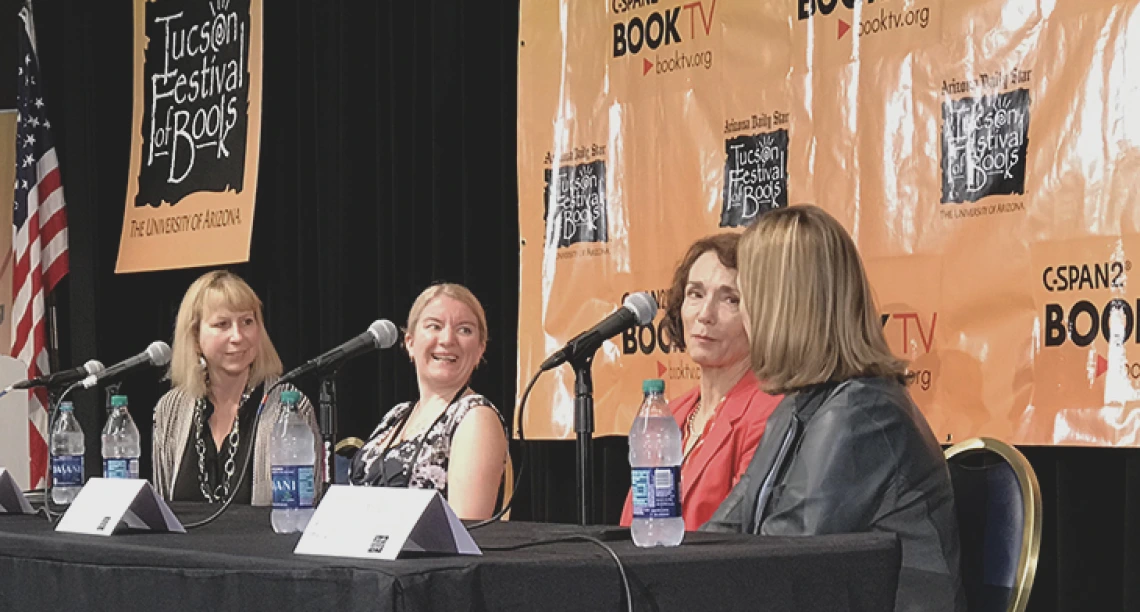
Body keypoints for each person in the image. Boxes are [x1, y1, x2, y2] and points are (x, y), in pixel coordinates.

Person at [702, 205, 965, 612]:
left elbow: (780, 564)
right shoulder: (798, 406)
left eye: (744, 294)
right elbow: (727, 530)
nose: (746, 312)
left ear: (782, 306)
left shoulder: (861, 414)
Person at [619, 234, 782, 529]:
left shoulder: (770, 412)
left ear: (759, 314)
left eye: (730, 299)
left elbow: (743, 533)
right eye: (695, 294)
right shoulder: (670, 413)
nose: (705, 315)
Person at [153, 270, 321, 506]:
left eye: (247, 322)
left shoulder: (289, 405)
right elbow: (162, 508)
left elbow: (306, 504)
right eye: (222, 324)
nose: (238, 336)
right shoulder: (171, 409)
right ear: (194, 335)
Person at [349, 283, 509, 520]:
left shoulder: (475, 417)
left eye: (464, 330)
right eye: (434, 326)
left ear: (480, 350)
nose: (447, 339)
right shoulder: (397, 415)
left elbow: (466, 530)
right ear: (410, 343)